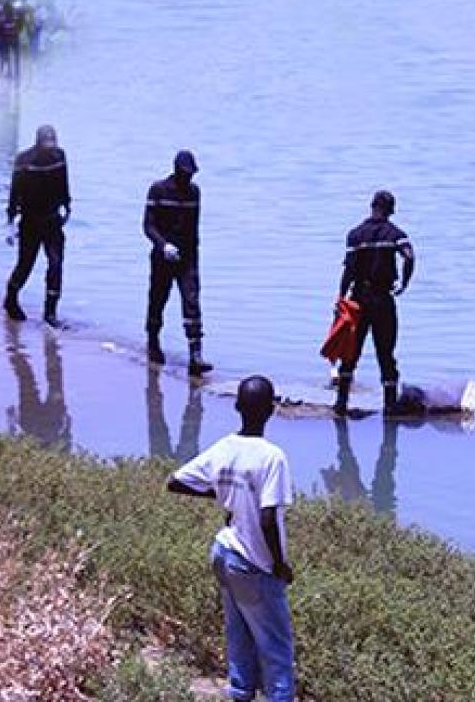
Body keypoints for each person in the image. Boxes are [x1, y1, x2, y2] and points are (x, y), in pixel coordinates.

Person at [167, 375, 296, 702]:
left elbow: (175, 482)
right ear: (272, 409)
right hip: (255, 562)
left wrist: (226, 496)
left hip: (224, 552)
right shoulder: (272, 457)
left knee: (239, 636)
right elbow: (268, 519)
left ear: (237, 406)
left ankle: (240, 694)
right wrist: (279, 564)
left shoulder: (224, 447)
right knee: (277, 649)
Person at [332, 190, 415, 417]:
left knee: (350, 352)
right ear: (390, 210)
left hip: (358, 300)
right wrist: (404, 284)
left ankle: (341, 403)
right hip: (382, 300)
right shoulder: (395, 233)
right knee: (386, 353)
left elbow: (349, 270)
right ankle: (389, 407)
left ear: (371, 206)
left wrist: (340, 298)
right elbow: (409, 256)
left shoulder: (355, 235)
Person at [143, 149, 212, 376]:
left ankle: (195, 356)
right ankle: (153, 342)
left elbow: (194, 229)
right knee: (158, 300)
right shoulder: (158, 190)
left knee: (192, 301)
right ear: (176, 170)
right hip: (163, 256)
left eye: (192, 174)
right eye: (186, 173)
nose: (189, 178)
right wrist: (163, 246)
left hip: (188, 257)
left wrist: (192, 261)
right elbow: (148, 226)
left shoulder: (194, 193)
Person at [4, 124, 70, 327]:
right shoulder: (24, 161)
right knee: (25, 265)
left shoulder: (59, 156)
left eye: (52, 144)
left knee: (56, 264)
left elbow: (63, 182)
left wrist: (67, 205)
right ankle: (11, 298)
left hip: (52, 220)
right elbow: (14, 192)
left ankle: (50, 312)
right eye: (46, 144)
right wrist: (10, 222)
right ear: (38, 142)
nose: (49, 148)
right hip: (30, 221)